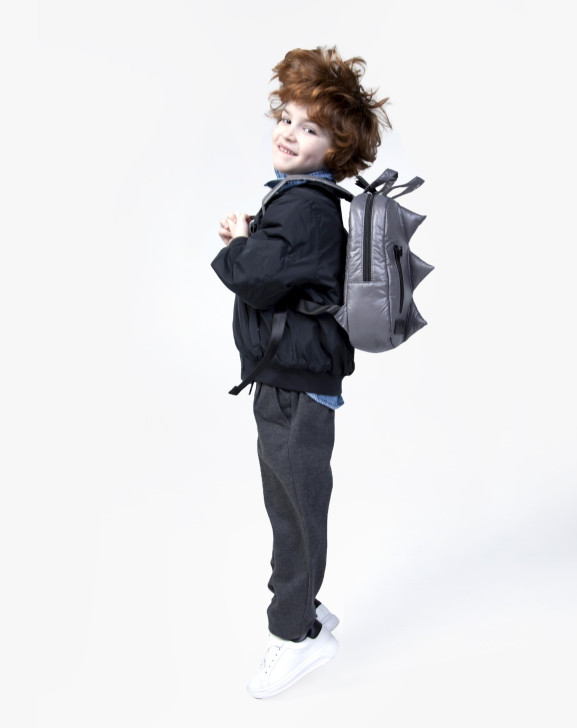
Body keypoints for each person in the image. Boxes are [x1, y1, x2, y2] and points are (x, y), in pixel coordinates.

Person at [211, 46, 390, 699]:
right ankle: (306, 611)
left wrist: (238, 242)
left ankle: (295, 636)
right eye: (286, 117)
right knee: (291, 502)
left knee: (293, 512)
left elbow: (258, 280)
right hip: (291, 379)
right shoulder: (300, 199)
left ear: (335, 148)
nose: (289, 132)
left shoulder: (307, 206)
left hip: (295, 387)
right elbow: (280, 272)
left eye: (309, 127)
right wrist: (253, 240)